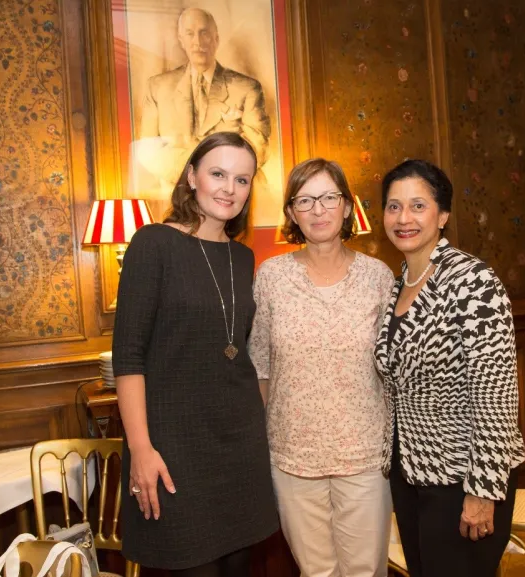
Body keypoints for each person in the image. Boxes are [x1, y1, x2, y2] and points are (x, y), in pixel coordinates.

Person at [112, 132, 278, 577]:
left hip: (240, 446)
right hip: (174, 448)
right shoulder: (153, 244)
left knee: (241, 566)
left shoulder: (243, 259)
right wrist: (141, 448)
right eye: (218, 174)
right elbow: (128, 357)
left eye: (242, 180)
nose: (229, 188)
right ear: (192, 177)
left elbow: (243, 352)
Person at [374, 160, 525, 577]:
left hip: (461, 479)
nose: (404, 218)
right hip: (409, 475)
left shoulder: (473, 280)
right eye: (393, 206)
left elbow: (497, 395)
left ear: (442, 215)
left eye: (418, 206)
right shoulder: (398, 283)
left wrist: (483, 490)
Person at [248, 158, 394, 577]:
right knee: (316, 573)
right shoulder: (271, 277)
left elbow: (392, 369)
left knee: (366, 571)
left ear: (347, 207)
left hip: (363, 455)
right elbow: (260, 366)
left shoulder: (378, 277)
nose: (318, 210)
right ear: (292, 213)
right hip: (293, 458)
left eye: (329, 197)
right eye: (305, 200)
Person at [137, 7, 271, 194]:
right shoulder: (158, 87)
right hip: (175, 195)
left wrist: (216, 179)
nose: (197, 42)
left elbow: (258, 146)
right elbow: (148, 149)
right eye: (190, 34)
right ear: (181, 40)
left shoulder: (246, 88)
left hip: (230, 196)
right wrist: (193, 176)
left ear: (216, 38)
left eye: (204, 33)